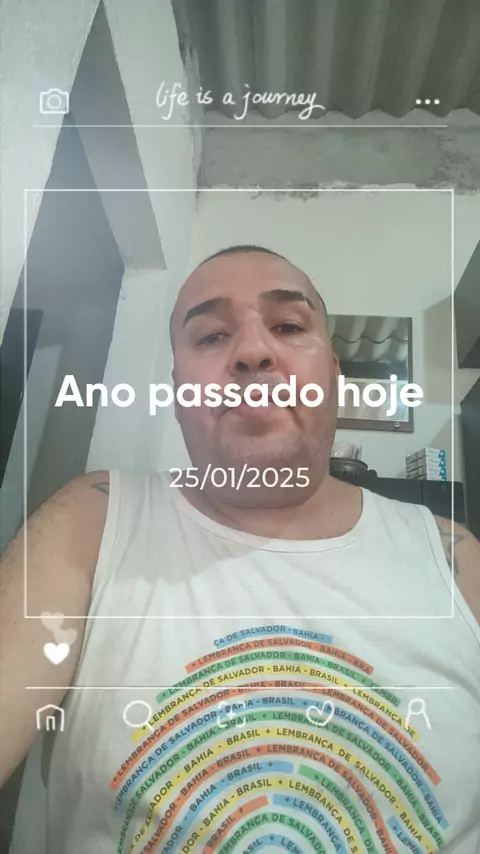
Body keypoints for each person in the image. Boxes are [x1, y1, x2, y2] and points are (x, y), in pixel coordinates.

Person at [1, 245, 479, 854]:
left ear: (334, 376)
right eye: (211, 335)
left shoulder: (453, 559)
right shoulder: (91, 523)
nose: (253, 351)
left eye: (289, 326)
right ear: (177, 392)